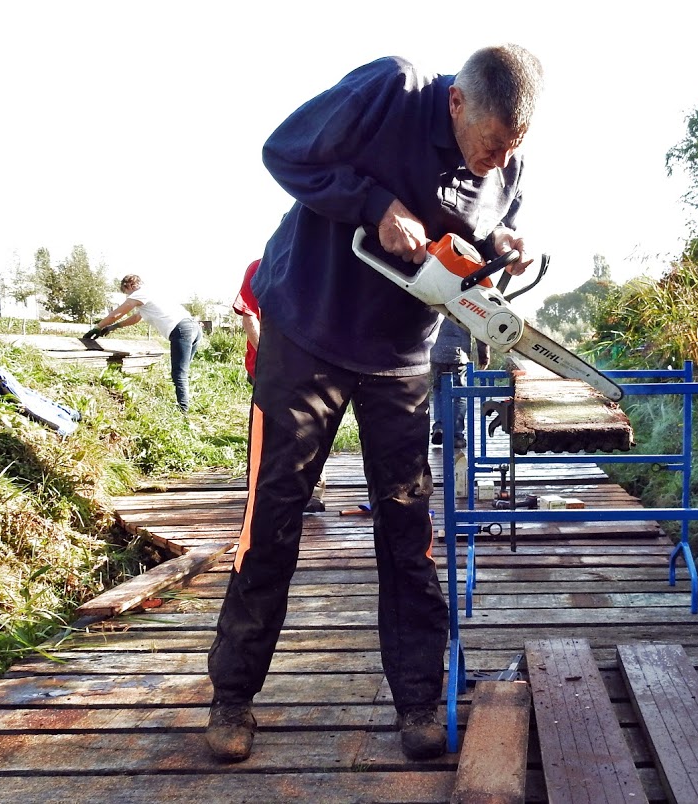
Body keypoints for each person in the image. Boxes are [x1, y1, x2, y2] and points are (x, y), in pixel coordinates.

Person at [204, 44, 543, 764]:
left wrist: (506, 246)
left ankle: (418, 701)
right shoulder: (392, 90)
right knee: (273, 517)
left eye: (509, 150)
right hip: (308, 330)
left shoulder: (507, 164)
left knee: (407, 525)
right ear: (456, 102)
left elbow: (478, 250)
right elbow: (283, 152)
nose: (497, 162)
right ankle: (232, 695)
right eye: (488, 146)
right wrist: (374, 205)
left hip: (400, 353)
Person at [234, 259, 327, 513]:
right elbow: (249, 316)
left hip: (311, 368)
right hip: (268, 369)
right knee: (267, 432)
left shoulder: (320, 266)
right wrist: (272, 358)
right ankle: (259, 488)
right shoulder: (260, 266)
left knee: (311, 430)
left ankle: (311, 491)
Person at [87, 275, 202, 412]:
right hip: (194, 328)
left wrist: (98, 327)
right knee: (183, 371)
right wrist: (113, 327)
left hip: (181, 330)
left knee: (179, 373)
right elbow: (136, 317)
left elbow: (116, 314)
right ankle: (186, 405)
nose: (127, 296)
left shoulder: (139, 294)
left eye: (126, 292)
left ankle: (183, 412)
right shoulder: (152, 294)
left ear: (130, 286)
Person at [430, 317, 489, 450]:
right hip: (459, 354)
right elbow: (479, 325)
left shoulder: (437, 302)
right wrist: (484, 356)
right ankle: (456, 436)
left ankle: (439, 426)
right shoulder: (467, 303)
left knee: (438, 389)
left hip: (436, 351)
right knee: (460, 393)